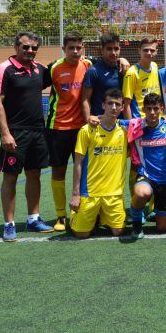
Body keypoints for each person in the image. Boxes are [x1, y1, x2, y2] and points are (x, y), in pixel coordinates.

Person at [0, 31, 55, 241]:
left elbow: (64, 67)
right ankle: (9, 225)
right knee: (10, 177)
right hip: (15, 133)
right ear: (16, 46)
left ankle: (33, 219)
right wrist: (5, 133)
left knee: (34, 174)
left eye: (34, 48)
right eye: (25, 47)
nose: (30, 51)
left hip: (38, 131)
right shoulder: (3, 69)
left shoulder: (39, 70)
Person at [45, 32, 93, 232]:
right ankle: (61, 216)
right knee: (59, 171)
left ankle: (79, 211)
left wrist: (124, 59)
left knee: (84, 171)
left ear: (83, 49)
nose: (75, 51)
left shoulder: (88, 65)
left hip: (82, 128)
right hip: (57, 128)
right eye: (71, 47)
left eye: (79, 47)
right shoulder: (54, 68)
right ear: (63, 49)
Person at [69, 89, 128, 239]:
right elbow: (77, 163)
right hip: (89, 192)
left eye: (117, 104)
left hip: (113, 193)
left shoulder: (126, 129)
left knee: (118, 231)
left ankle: (101, 215)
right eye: (110, 103)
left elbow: (150, 120)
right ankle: (79, 215)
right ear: (103, 105)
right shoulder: (87, 130)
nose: (114, 107)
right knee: (81, 234)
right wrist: (75, 195)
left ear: (122, 108)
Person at [126, 93, 166, 238]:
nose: (152, 113)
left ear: (162, 108)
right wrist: (94, 118)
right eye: (148, 109)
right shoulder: (135, 125)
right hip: (146, 176)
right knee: (143, 193)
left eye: (156, 108)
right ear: (143, 109)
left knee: (162, 228)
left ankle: (163, 213)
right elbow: (112, 122)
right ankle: (136, 220)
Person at [82, 33, 125, 121]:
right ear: (102, 50)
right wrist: (88, 120)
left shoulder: (124, 68)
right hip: (100, 122)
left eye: (116, 49)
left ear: (120, 49)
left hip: (120, 123)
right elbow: (85, 100)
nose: (113, 52)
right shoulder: (93, 71)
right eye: (109, 49)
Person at [122, 37, 161, 120]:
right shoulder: (132, 73)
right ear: (139, 51)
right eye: (145, 50)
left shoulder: (155, 66)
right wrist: (131, 126)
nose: (149, 53)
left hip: (157, 119)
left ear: (157, 52)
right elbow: (126, 105)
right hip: (141, 121)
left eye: (152, 50)